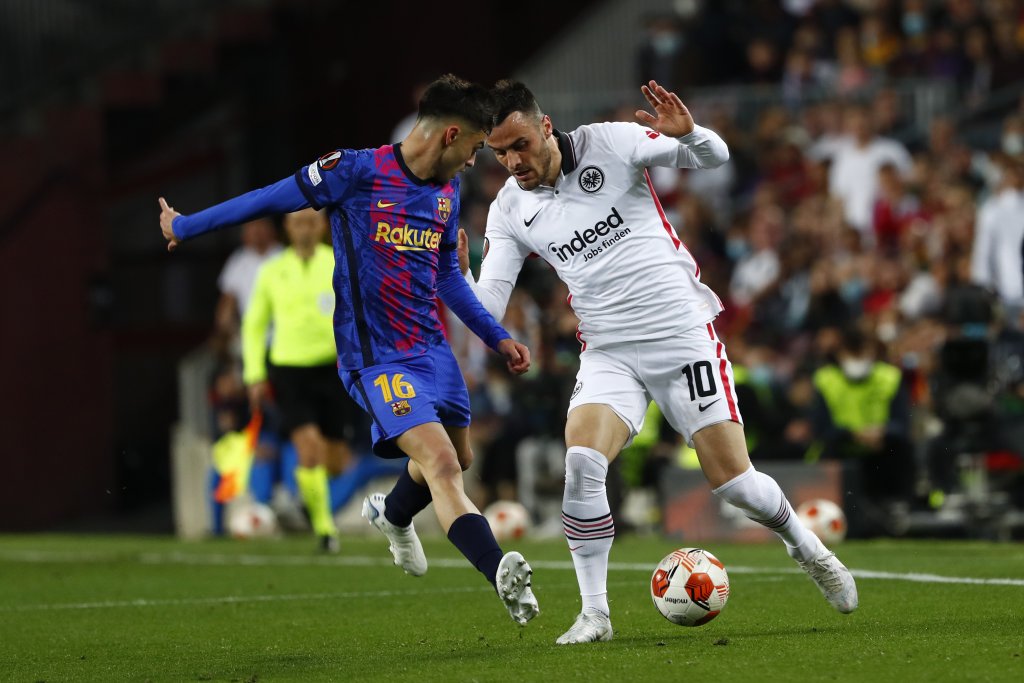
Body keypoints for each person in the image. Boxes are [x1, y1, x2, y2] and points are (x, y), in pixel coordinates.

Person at [461, 79, 857, 644]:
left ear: (545, 126)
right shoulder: (509, 208)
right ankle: (595, 614)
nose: (512, 161)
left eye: (520, 144)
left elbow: (714, 157)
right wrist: (460, 278)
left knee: (734, 483)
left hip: (681, 336)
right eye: (499, 152)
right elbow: (491, 306)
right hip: (608, 351)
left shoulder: (610, 143)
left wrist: (689, 134)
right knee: (582, 463)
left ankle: (807, 547)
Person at [158, 74, 539, 626]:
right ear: (451, 134)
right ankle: (499, 571)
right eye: (477, 148)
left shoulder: (445, 193)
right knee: (439, 462)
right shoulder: (355, 172)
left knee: (459, 458)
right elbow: (269, 197)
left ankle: (394, 515)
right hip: (375, 357)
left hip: (431, 351)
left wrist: (496, 337)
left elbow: (446, 278)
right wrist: (188, 225)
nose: (474, 163)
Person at [242, 207, 356, 553]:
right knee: (309, 448)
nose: (304, 229)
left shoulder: (337, 263)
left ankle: (309, 493)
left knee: (336, 461)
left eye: (311, 222)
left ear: (322, 226)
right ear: (287, 228)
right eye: (298, 223)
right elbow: (254, 325)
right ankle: (324, 528)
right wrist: (254, 375)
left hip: (333, 369)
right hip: (289, 371)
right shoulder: (272, 271)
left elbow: (357, 313)